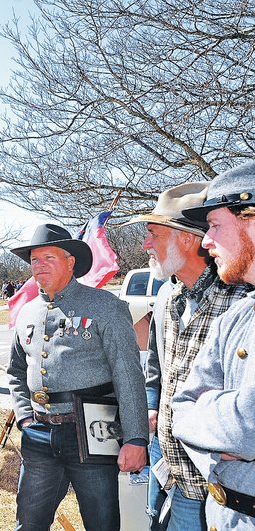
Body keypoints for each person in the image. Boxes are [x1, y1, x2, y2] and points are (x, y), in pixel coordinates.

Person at [123, 182, 250, 530]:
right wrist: (151, 410)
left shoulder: (240, 302)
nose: (145, 244)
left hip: (211, 486)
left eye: (153, 233)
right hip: (163, 466)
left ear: (187, 239)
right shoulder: (166, 297)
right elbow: (156, 376)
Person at [7, 223, 148, 530]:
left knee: (101, 523)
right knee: (28, 524)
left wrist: (136, 437)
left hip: (93, 432)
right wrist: (24, 419)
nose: (39, 265)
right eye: (34, 260)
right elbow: (16, 370)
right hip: (39, 434)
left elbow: (128, 375)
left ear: (71, 262)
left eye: (49, 258)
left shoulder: (105, 307)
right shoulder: (28, 312)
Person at [171, 162, 255, 530]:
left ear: (251, 219)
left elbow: (248, 426)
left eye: (215, 226)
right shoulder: (234, 319)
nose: (206, 242)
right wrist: (222, 455)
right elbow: (180, 410)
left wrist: (212, 415)